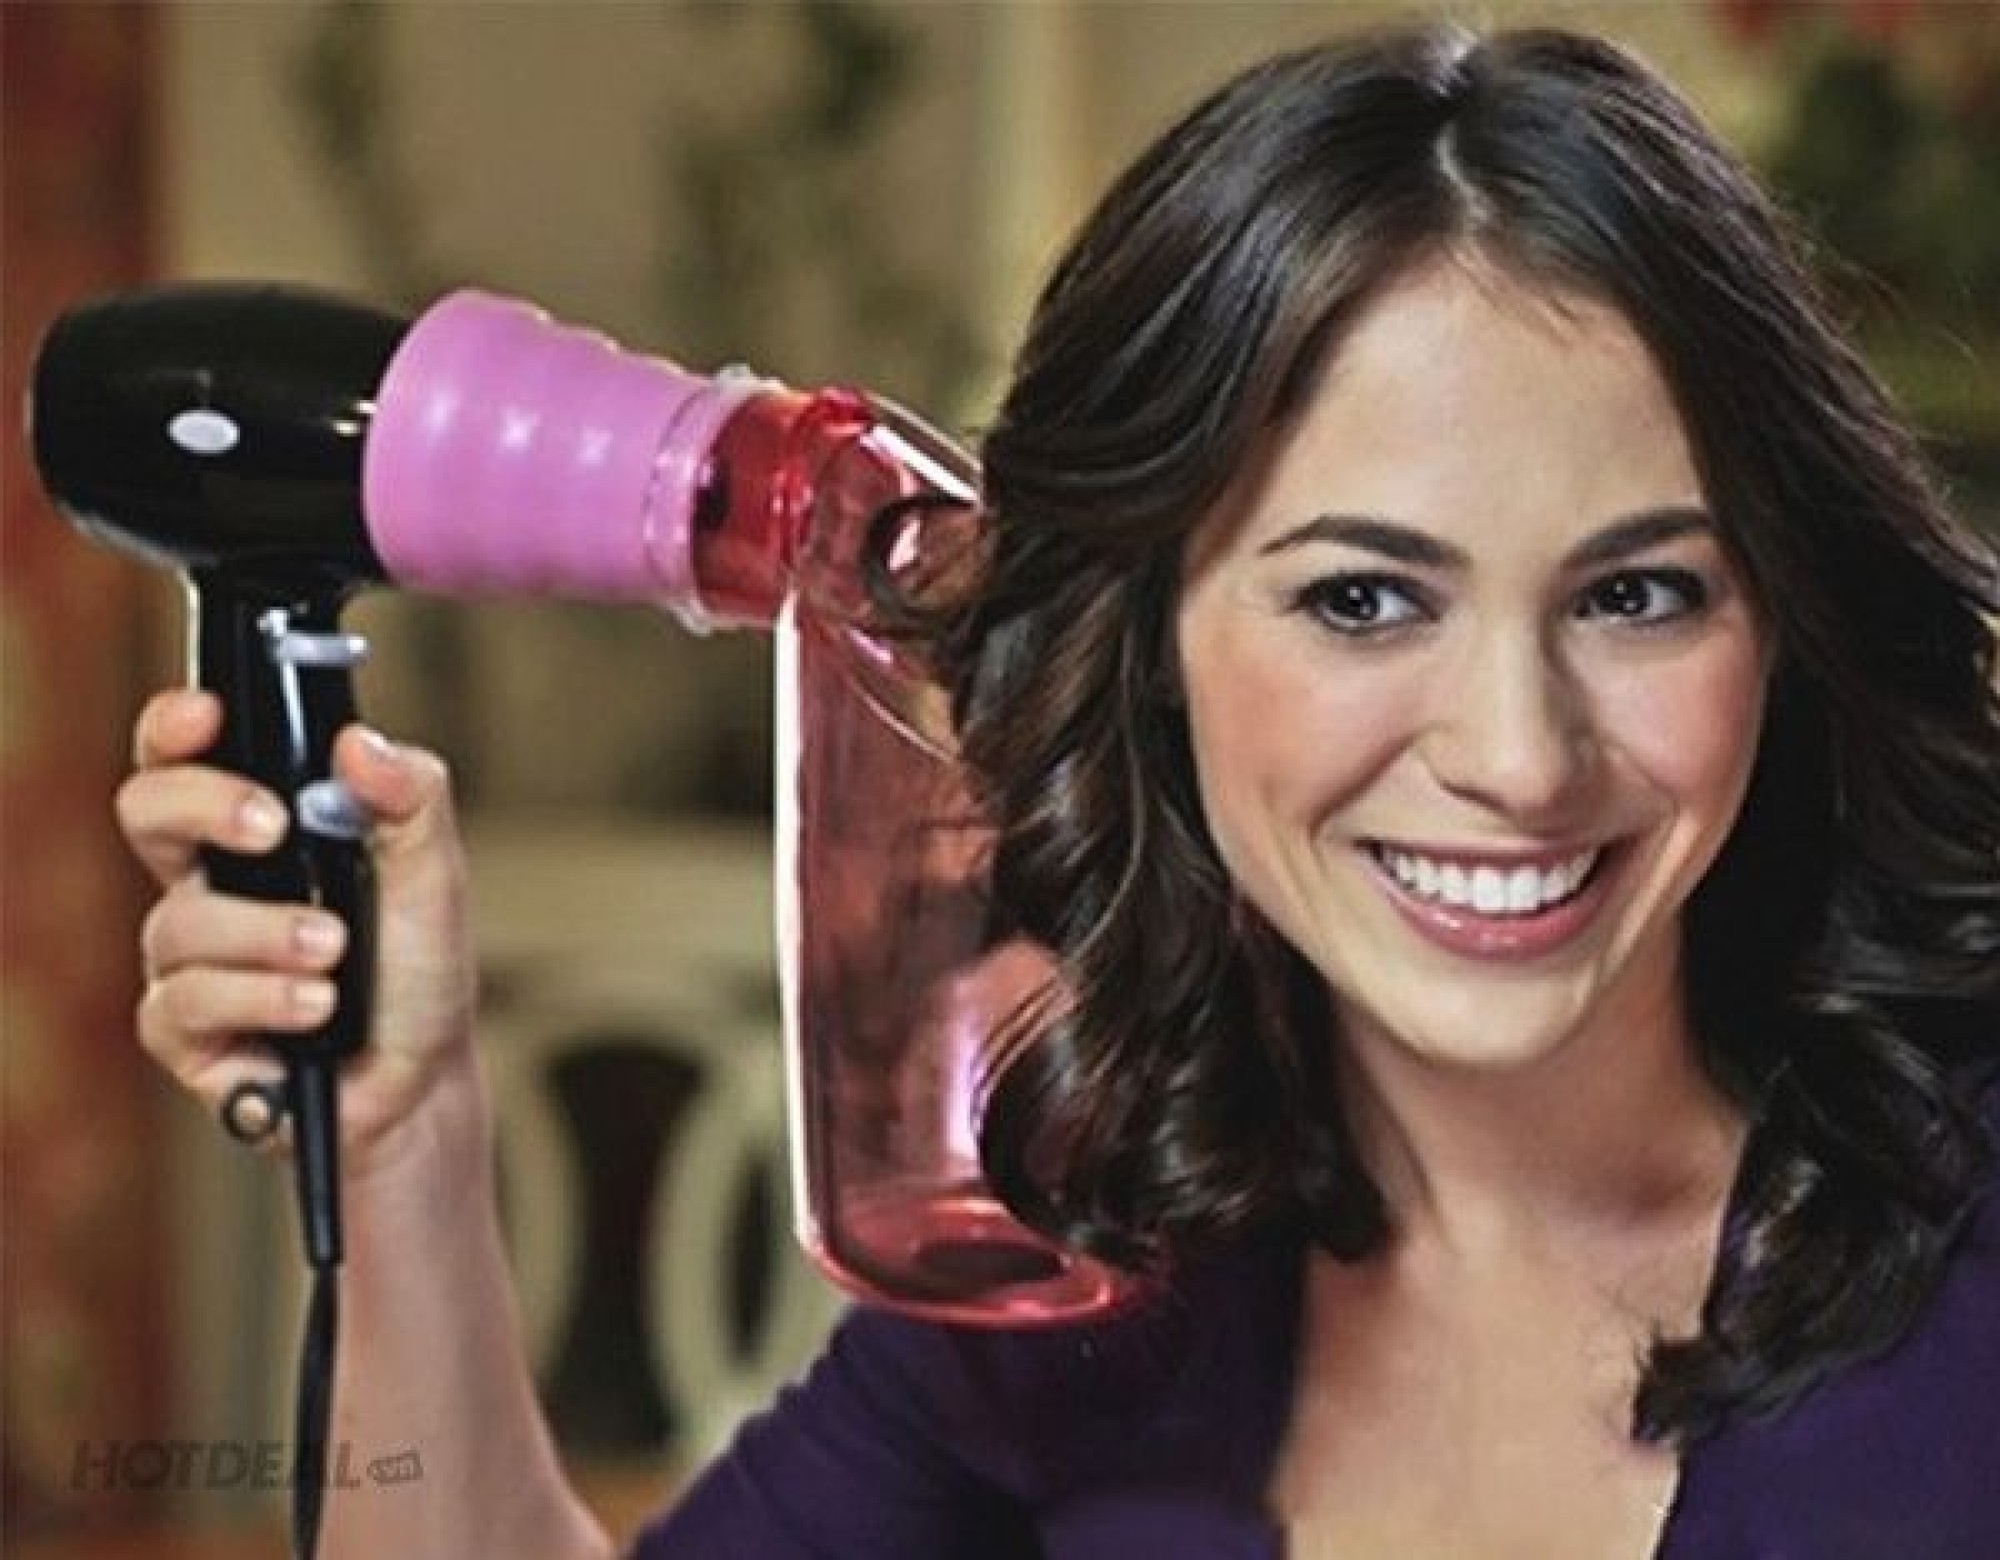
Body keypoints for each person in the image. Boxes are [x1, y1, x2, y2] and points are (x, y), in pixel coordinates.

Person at [115, 21, 2000, 1560]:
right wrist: (407, 1139)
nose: (1519, 756)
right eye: (1362, 599)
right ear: (1148, 637)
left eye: (1638, 595)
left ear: (1783, 618)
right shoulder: (1096, 1284)